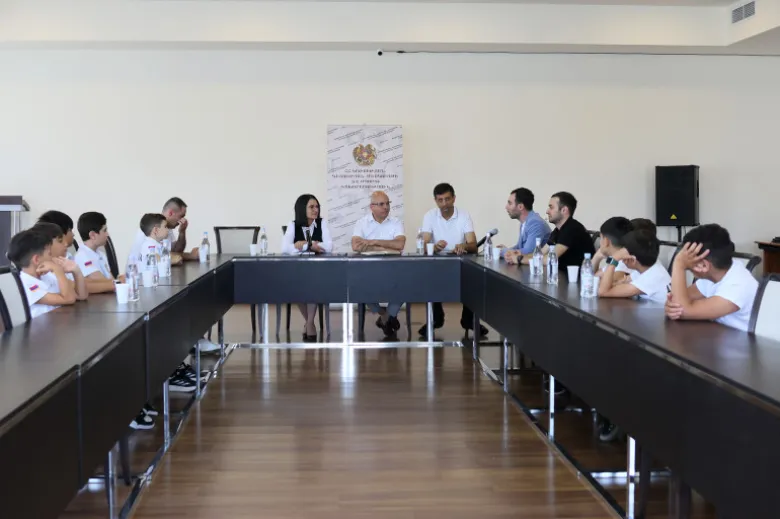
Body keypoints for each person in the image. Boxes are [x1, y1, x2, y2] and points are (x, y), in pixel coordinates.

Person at [419, 183, 486, 338]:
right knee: (428, 276)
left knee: (474, 277)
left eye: (447, 199)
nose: (444, 204)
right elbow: (424, 245)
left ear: (454, 198)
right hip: (437, 262)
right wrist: (434, 247)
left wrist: (464, 246)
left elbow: (473, 246)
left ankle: (468, 320)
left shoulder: (463, 215)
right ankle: (436, 319)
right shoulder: (429, 216)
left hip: (459, 260)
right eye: (440, 200)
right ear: (435, 201)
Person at [666, 224, 758, 331]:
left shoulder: (739, 285)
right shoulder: (714, 275)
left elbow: (682, 311)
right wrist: (670, 306)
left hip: (743, 340)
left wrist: (679, 264)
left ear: (704, 265)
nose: (687, 267)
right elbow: (678, 303)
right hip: (718, 335)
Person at [351, 191, 406, 337]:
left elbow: (400, 244)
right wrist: (386, 247)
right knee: (359, 286)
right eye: (381, 204)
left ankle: (389, 316)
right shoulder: (362, 223)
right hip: (368, 270)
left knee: (406, 283)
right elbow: (356, 246)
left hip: (393, 269)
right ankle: (385, 315)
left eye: (387, 203)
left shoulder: (396, 222)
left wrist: (373, 242)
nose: (386, 207)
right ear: (372, 207)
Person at [282, 194, 333, 340]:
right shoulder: (293, 225)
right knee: (296, 287)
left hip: (319, 270)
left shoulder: (322, 223)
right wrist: (310, 245)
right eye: (311, 207)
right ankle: (310, 322)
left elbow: (328, 246)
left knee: (313, 284)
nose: (315, 210)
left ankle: (309, 324)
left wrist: (302, 245)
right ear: (302, 208)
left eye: (317, 206)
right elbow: (285, 248)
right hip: (299, 269)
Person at [7, 229, 79, 318]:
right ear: (36, 259)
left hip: (58, 321)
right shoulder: (25, 284)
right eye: (49, 254)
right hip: (40, 326)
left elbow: (78, 295)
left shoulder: (47, 276)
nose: (52, 257)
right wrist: (58, 270)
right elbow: (69, 299)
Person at [513, 191, 594, 269]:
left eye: (551, 207)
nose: (547, 211)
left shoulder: (572, 229)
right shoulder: (558, 230)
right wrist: (519, 255)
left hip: (575, 277)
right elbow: (541, 253)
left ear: (564, 210)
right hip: (559, 274)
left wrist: (520, 259)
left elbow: (549, 259)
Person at [597, 230, 671, 303]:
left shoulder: (652, 277)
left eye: (622, 254)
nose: (621, 259)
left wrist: (614, 259)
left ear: (632, 259)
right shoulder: (645, 269)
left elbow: (603, 292)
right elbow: (614, 285)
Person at [31, 221, 88, 301]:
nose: (66, 244)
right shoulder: (44, 273)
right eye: (60, 241)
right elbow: (69, 299)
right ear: (47, 245)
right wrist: (58, 270)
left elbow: (81, 296)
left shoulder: (54, 269)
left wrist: (77, 271)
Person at [130, 197, 197, 263]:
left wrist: (182, 232)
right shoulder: (149, 228)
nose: (183, 220)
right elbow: (160, 256)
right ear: (170, 213)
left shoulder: (166, 229)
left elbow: (175, 252)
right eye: (181, 216)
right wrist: (190, 255)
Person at [75, 211, 124, 294]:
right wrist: (120, 281)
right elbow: (104, 283)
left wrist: (119, 281)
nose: (107, 234)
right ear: (92, 235)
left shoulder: (100, 254)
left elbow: (111, 280)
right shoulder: (82, 256)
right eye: (104, 230)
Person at [501, 187, 550, 263]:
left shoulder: (535, 223)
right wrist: (505, 250)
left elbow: (528, 252)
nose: (506, 207)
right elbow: (519, 247)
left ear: (520, 207)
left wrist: (504, 251)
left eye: (510, 203)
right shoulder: (524, 222)